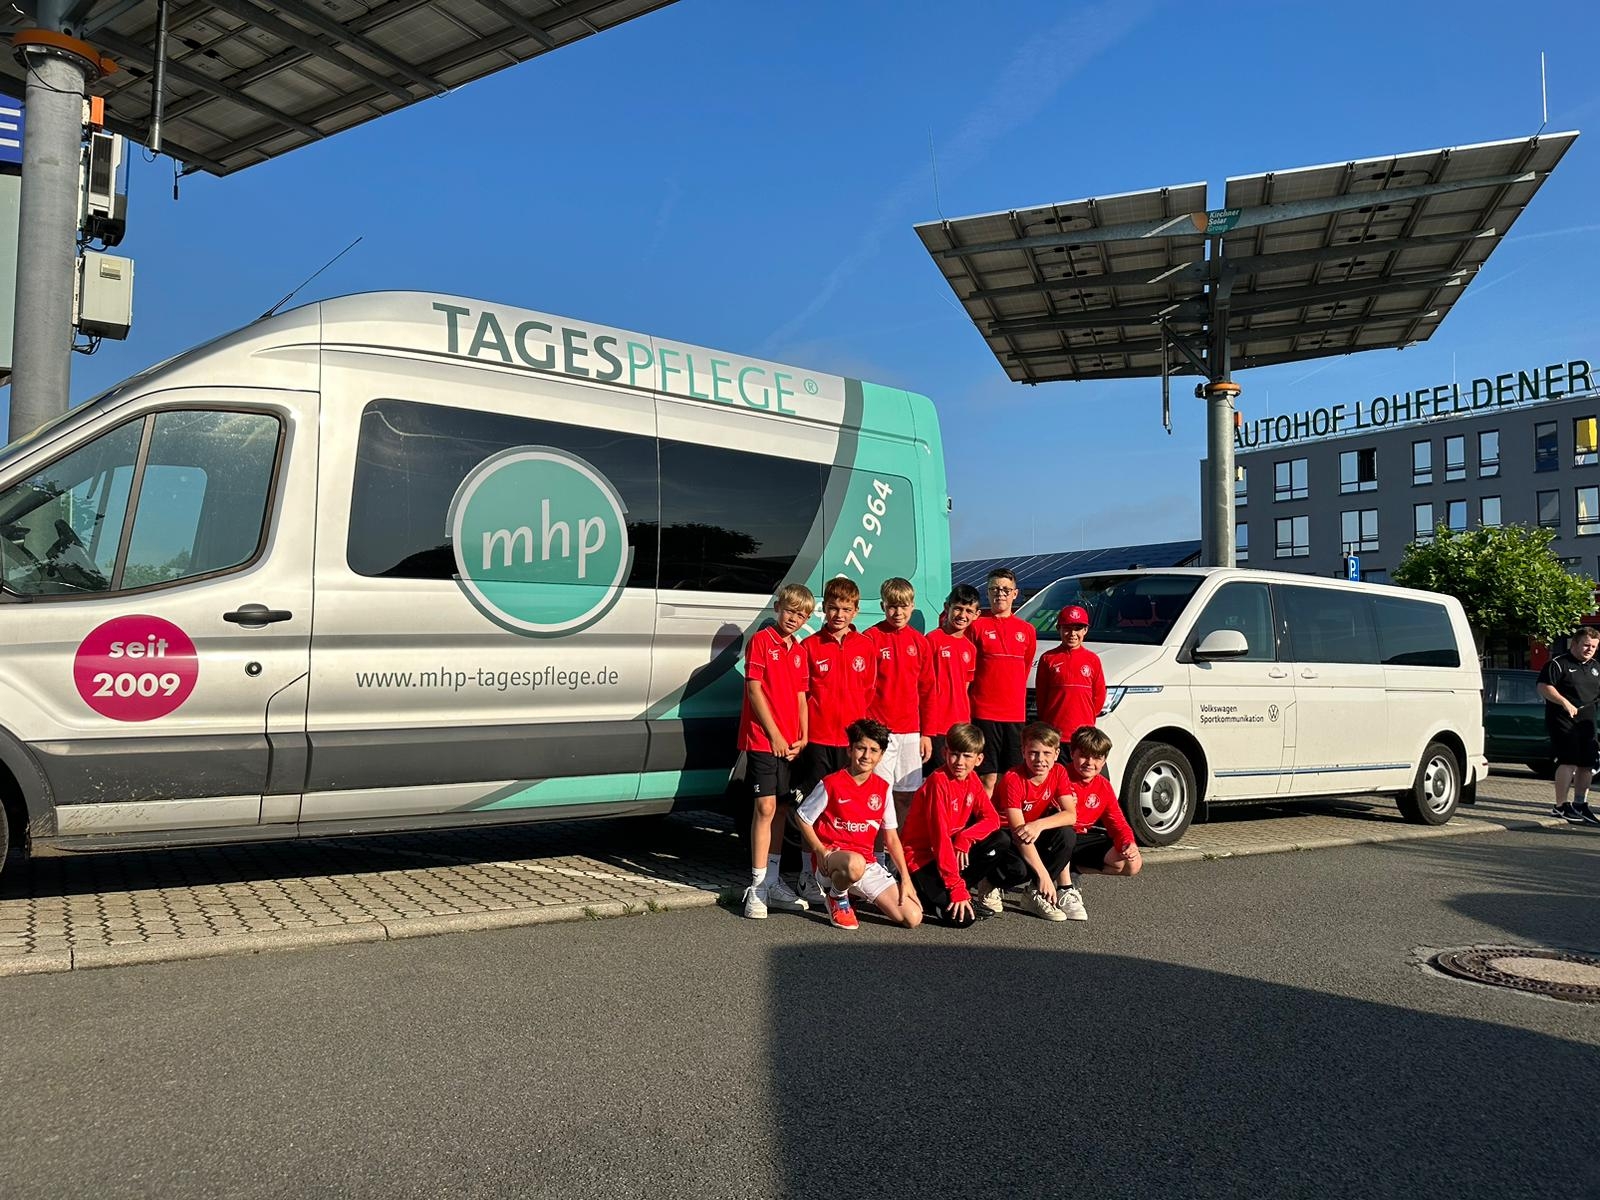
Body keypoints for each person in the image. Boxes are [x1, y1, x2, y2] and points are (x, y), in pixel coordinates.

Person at [795, 577, 879, 904]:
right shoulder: (809, 646)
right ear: (823, 609)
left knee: (845, 811)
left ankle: (840, 873)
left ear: (855, 611)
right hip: (818, 740)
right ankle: (807, 873)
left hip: (850, 744)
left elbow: (869, 692)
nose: (839, 615)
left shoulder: (866, 647)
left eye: (845, 609)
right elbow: (802, 696)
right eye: (833, 608)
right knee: (813, 808)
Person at [901, 722, 1032, 927]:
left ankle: (955, 893)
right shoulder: (938, 781)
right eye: (954, 754)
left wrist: (965, 838)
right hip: (922, 858)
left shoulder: (972, 779)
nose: (960, 762)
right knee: (963, 920)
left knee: (1001, 841)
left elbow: (992, 818)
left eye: (967, 756)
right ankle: (920, 889)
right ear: (945, 753)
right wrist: (955, 888)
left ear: (979, 759)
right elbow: (940, 838)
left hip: (949, 853)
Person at [795, 719, 922, 930]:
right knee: (855, 863)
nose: (866, 756)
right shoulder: (831, 783)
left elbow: (891, 838)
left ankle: (851, 891)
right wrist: (819, 850)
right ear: (850, 750)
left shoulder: (883, 788)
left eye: (873, 750)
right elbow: (802, 817)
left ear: (881, 755)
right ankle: (836, 896)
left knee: (913, 917)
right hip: (833, 860)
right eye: (861, 748)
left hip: (866, 864)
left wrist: (906, 879)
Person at [739, 582, 816, 919]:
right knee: (766, 807)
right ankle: (756, 886)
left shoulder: (798, 650)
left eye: (801, 615)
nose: (794, 618)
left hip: (790, 743)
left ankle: (772, 880)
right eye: (790, 611)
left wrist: (803, 735)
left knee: (783, 807)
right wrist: (774, 735)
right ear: (778, 608)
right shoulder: (761, 640)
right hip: (763, 739)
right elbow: (754, 690)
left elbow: (801, 697)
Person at [1051, 724, 1142, 921]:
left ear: (1104, 761)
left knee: (1132, 864)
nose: (1089, 763)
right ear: (1072, 753)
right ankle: (1065, 890)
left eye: (1097, 757)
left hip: (1080, 838)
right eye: (1084, 756)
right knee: (1065, 828)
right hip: (1053, 838)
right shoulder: (1059, 775)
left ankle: (1073, 869)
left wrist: (1128, 843)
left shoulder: (1103, 786)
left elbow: (1118, 823)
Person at [995, 722, 1080, 922]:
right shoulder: (1013, 778)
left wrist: (1039, 824)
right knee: (1019, 870)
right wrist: (1044, 875)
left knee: (1067, 834)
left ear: (1056, 754)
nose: (1040, 759)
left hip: (1031, 830)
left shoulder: (1058, 771)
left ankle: (1035, 893)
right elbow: (1018, 833)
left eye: (1046, 753)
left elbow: (1071, 815)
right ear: (1023, 752)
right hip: (1005, 836)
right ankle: (989, 883)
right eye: (1033, 752)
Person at [866, 577, 931, 823]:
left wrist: (926, 733)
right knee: (878, 795)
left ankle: (899, 848)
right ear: (883, 606)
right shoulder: (871, 637)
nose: (898, 612)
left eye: (903, 606)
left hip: (910, 732)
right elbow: (863, 688)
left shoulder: (920, 642)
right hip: (879, 731)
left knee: (906, 796)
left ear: (912, 606)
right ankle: (878, 847)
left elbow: (927, 690)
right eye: (892, 606)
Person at [969, 567, 1038, 796]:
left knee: (1012, 777)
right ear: (987, 592)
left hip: (1014, 715)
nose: (1000, 594)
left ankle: (1008, 818)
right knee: (987, 777)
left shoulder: (1027, 630)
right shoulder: (976, 626)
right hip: (984, 713)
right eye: (995, 589)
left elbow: (1024, 668)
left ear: (1015, 594)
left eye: (1006, 590)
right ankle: (985, 818)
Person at [1538, 625, 1600, 826]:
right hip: (1563, 719)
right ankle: (1560, 805)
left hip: (1587, 721)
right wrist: (1564, 702)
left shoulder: (1596, 667)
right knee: (1568, 761)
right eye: (1586, 645)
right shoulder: (1558, 663)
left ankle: (1580, 804)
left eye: (1594, 646)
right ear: (1575, 643)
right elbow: (1543, 686)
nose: (1590, 649)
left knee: (1587, 764)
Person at [919, 584, 982, 771]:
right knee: (934, 777)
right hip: (936, 725)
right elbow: (922, 686)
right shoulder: (931, 640)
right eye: (958, 609)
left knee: (956, 776)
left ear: (976, 614)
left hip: (960, 725)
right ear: (947, 608)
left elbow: (965, 687)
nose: (962, 615)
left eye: (969, 611)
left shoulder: (970, 648)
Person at [1035, 605, 1105, 742]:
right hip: (1055, 733)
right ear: (1058, 629)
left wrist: (1087, 717)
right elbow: (1041, 697)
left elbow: (1099, 697)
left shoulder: (1093, 659)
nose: (1072, 634)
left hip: (1083, 734)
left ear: (1085, 630)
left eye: (1077, 628)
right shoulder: (1048, 658)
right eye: (1067, 628)